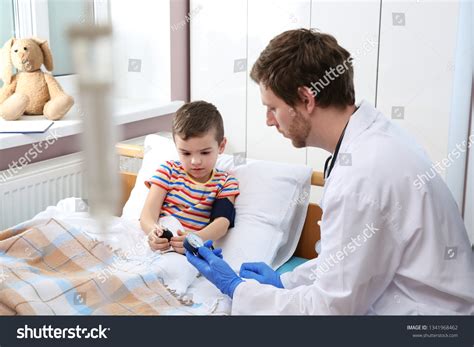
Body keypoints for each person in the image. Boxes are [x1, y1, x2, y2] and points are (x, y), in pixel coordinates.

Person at [186, 29, 474, 315]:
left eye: (273, 108)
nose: (268, 121)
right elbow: (349, 258)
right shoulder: (370, 141)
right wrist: (285, 281)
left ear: (306, 99)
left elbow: (328, 312)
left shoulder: (363, 176)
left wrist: (237, 289)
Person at [140, 101, 239, 254]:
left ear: (221, 146)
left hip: (188, 250)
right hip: (157, 243)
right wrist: (153, 232)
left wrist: (196, 238)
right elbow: (148, 214)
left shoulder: (225, 182)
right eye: (186, 153)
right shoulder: (168, 171)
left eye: (205, 152)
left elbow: (222, 222)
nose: (195, 162)